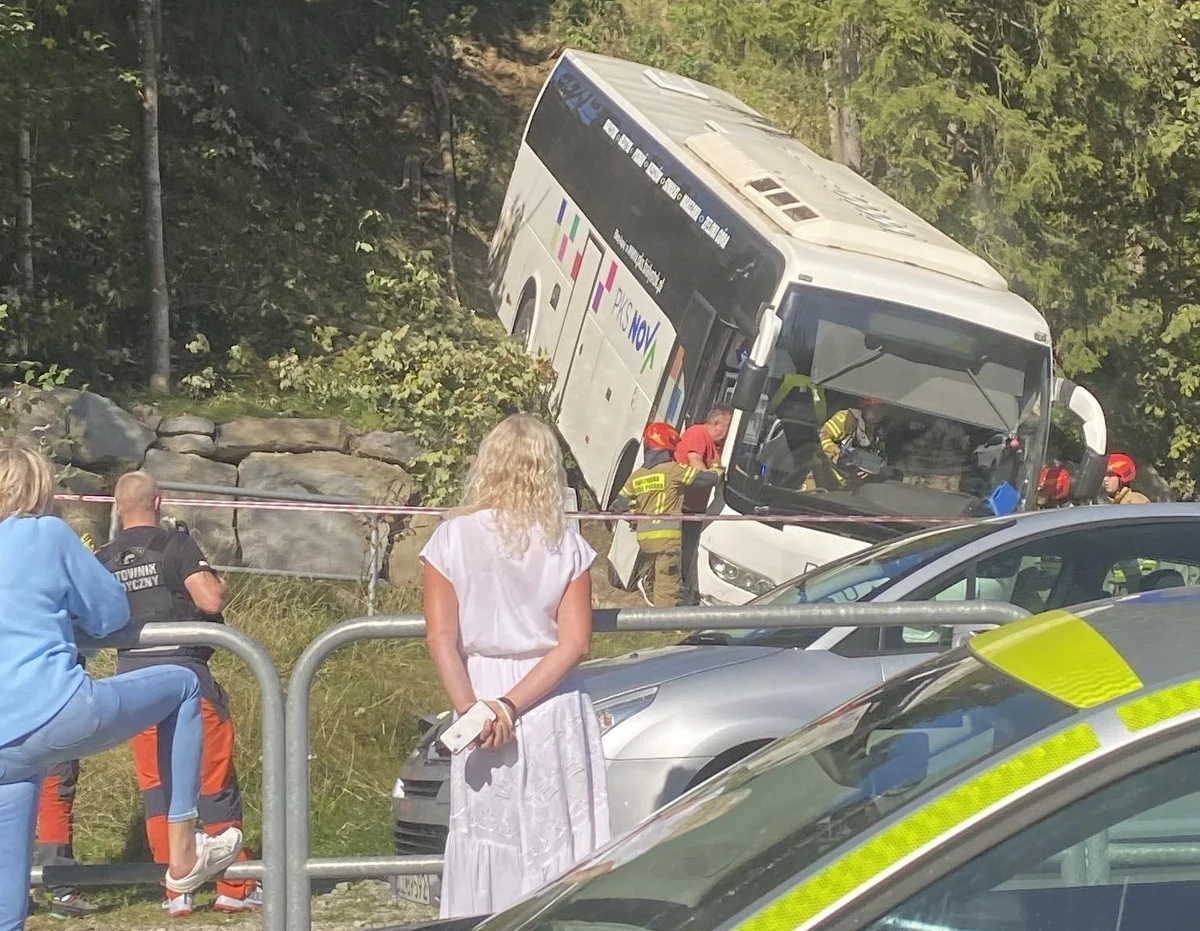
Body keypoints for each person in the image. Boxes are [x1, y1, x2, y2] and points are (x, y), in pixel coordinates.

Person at [0, 441, 242, 931]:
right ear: (38, 487)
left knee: (8, 910)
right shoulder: (46, 533)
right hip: (54, 710)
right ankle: (182, 852)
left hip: (5, 745)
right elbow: (111, 612)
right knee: (183, 687)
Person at [421, 414, 609, 919]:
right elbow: (574, 644)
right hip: (549, 699)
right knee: (559, 838)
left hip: (478, 688)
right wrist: (509, 706)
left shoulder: (451, 538)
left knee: (487, 834)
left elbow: (441, 637)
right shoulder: (567, 545)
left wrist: (476, 712)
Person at [95, 472, 259, 917]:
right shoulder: (175, 545)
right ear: (159, 502)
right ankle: (236, 885)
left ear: (115, 508)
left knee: (157, 785)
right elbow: (209, 600)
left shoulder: (102, 559)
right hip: (185, 674)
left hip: (131, 685)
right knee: (212, 780)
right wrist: (217, 581)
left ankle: (175, 889)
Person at [612, 422, 721, 607]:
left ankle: (649, 586)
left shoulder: (637, 476)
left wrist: (635, 518)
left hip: (645, 539)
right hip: (667, 540)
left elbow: (617, 506)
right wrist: (717, 468)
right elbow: (706, 479)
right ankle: (666, 623)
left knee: (659, 574)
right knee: (667, 584)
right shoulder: (673, 471)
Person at [802, 398, 887, 492]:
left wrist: (871, 468)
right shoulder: (846, 418)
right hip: (824, 473)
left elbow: (880, 456)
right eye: (874, 409)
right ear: (864, 407)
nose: (878, 413)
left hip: (849, 486)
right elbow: (824, 434)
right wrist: (838, 455)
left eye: (881, 410)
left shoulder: (878, 432)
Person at [674, 404, 733, 472]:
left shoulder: (719, 447)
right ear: (715, 423)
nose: (731, 429)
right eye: (728, 425)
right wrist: (711, 480)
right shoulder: (698, 432)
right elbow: (695, 461)